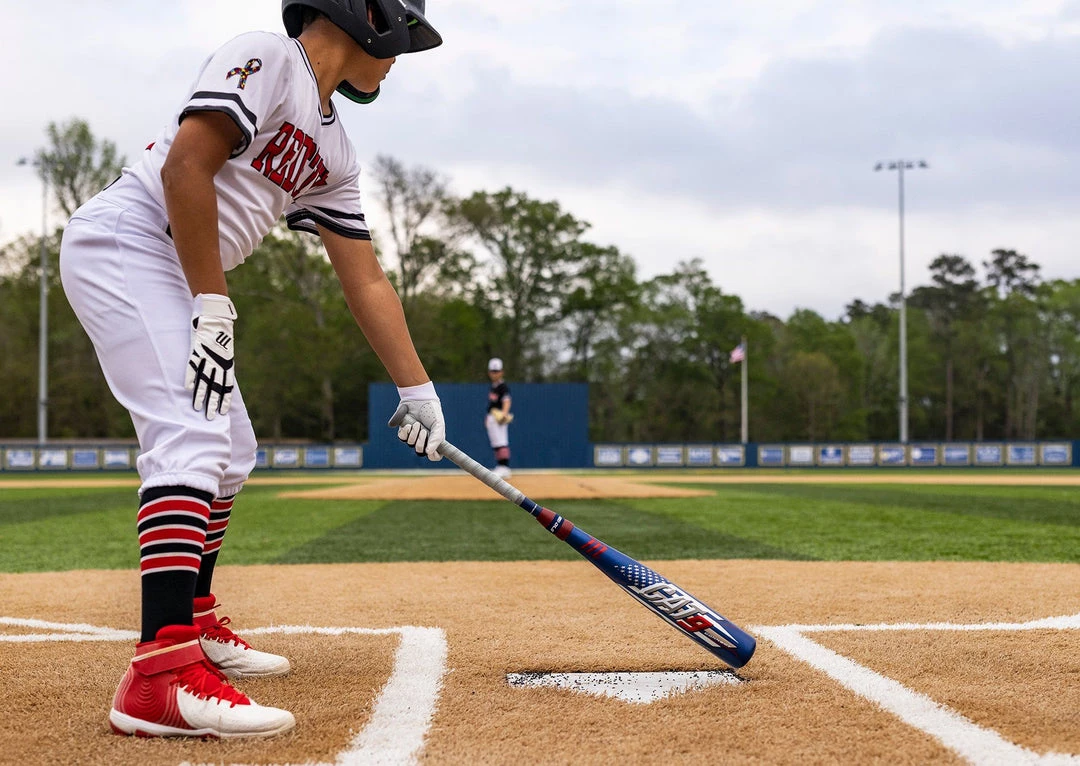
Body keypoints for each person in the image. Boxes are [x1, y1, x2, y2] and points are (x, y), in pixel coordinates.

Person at [58, 0, 446, 740]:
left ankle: (194, 622)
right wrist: (213, 304)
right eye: (403, 35)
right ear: (367, 12)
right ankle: (160, 677)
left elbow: (364, 278)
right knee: (191, 436)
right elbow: (185, 167)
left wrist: (416, 387)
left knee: (232, 449)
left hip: (178, 272)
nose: (400, 56)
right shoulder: (267, 56)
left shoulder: (336, 152)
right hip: (129, 243)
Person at [484, 357, 513, 478]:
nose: (494, 374)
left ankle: (504, 467)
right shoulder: (494, 386)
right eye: (492, 371)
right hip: (492, 416)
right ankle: (500, 465)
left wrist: (504, 414)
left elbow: (507, 400)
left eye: (497, 371)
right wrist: (487, 417)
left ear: (502, 372)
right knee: (496, 442)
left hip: (499, 418)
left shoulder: (502, 386)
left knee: (501, 441)